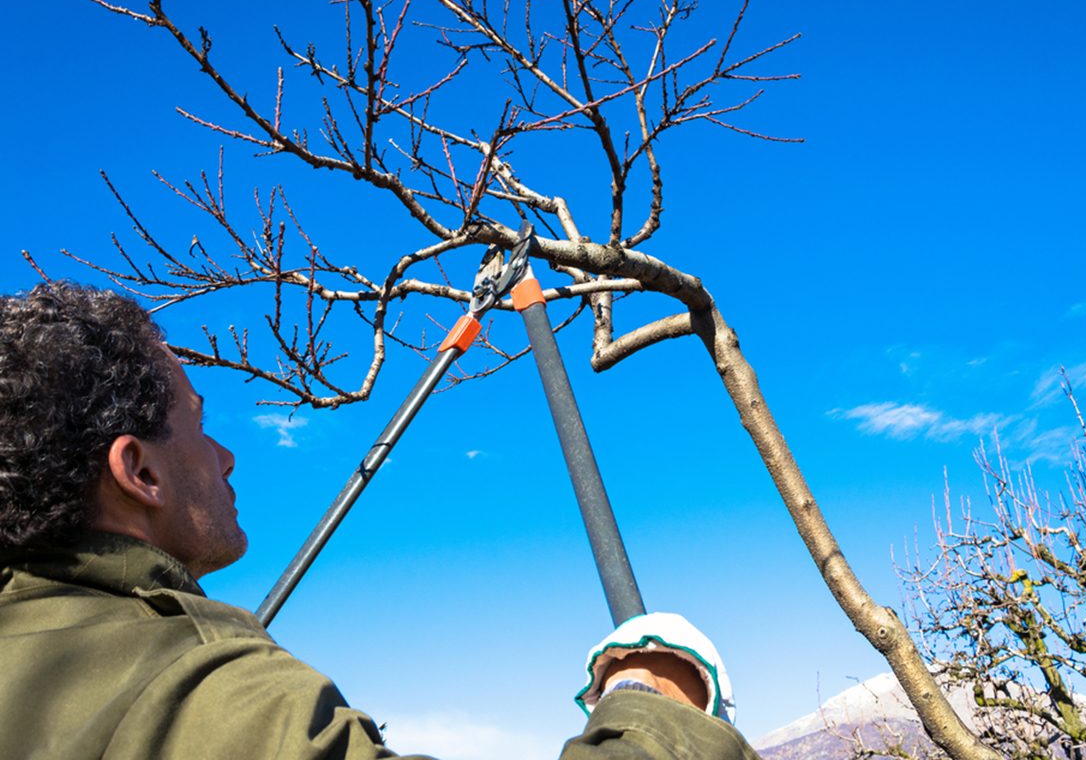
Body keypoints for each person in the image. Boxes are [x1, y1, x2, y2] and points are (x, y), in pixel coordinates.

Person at [0, 281, 762, 760]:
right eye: (198, 425)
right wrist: (650, 704)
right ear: (139, 472)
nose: (227, 457)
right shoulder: (222, 705)